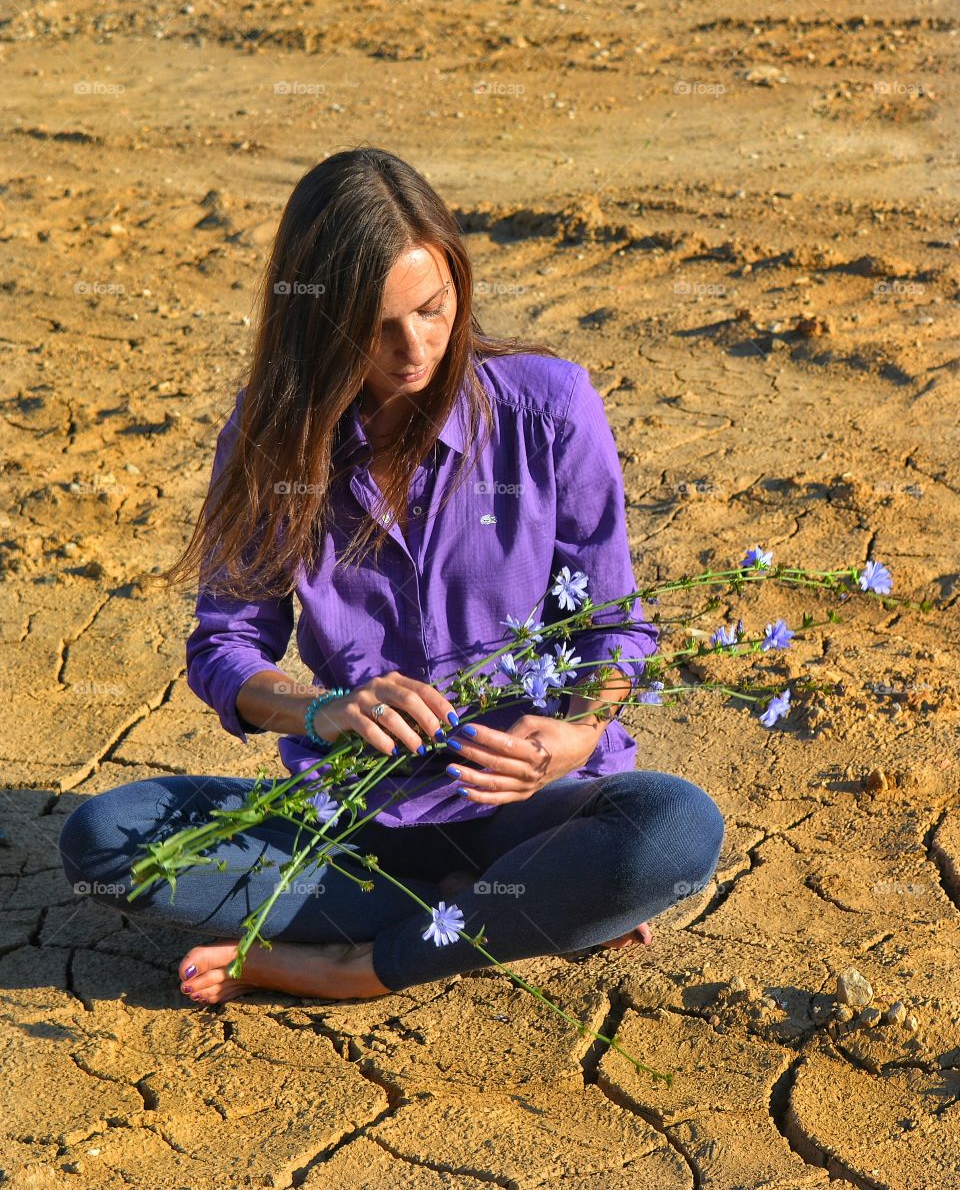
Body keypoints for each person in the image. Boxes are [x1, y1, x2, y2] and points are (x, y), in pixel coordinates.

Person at [58, 147, 725, 1006]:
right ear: (318, 321)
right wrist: (321, 711)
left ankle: (366, 962)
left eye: (433, 309)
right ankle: (496, 917)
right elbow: (227, 644)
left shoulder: (550, 407)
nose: (415, 347)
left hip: (531, 812)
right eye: (375, 326)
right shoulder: (274, 440)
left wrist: (576, 738)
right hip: (355, 828)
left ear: (458, 284)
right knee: (104, 844)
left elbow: (616, 625)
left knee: (671, 834)